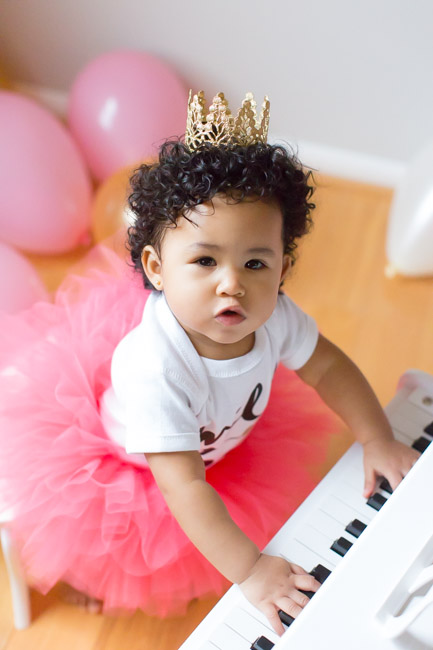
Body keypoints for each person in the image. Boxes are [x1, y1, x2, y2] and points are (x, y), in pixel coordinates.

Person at [0, 91, 418, 634]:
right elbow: (186, 489)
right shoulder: (156, 371)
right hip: (133, 473)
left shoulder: (271, 318)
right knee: (113, 549)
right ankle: (83, 576)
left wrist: (376, 437)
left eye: (254, 262)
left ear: (283, 268)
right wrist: (251, 571)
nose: (232, 284)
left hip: (216, 438)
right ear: (155, 266)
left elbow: (329, 367)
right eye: (203, 260)